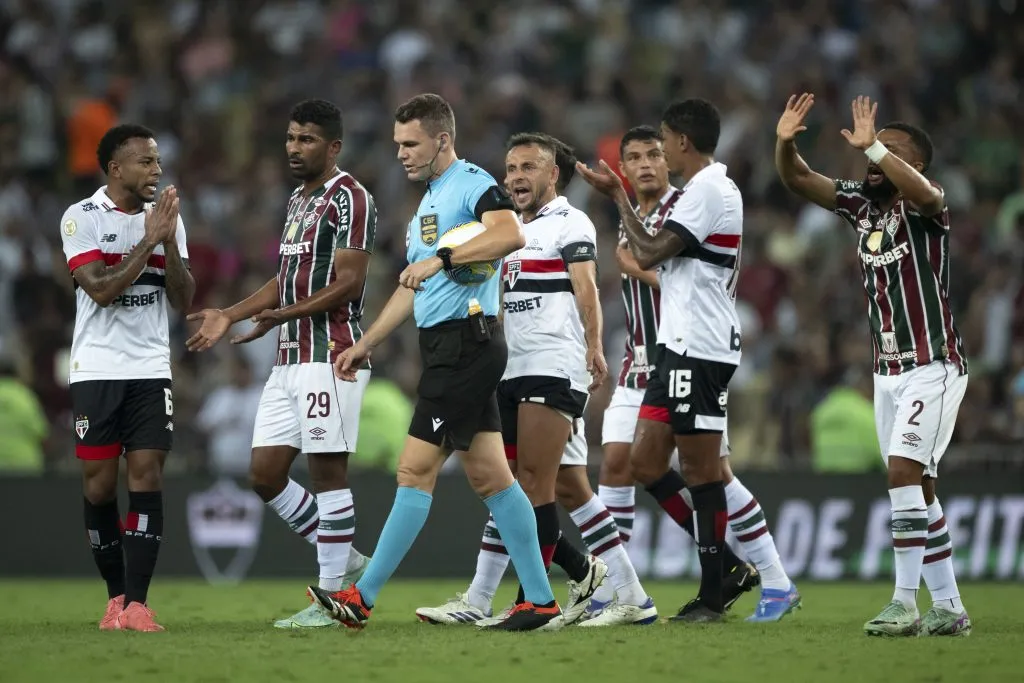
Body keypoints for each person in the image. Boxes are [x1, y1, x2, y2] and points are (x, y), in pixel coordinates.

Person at [308, 93, 560, 632]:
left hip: (467, 345)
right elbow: (411, 286)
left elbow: (510, 233)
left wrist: (444, 258)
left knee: (414, 471)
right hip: (449, 347)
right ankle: (539, 600)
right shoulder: (428, 203)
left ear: (441, 140)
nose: (400, 153)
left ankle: (362, 596)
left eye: (411, 143)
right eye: (397, 144)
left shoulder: (471, 183)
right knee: (493, 478)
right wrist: (367, 342)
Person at [415, 134, 654, 628]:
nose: (515, 177)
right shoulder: (506, 230)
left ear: (553, 176)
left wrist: (592, 346)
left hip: (553, 365)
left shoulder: (571, 222)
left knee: (526, 485)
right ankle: (628, 594)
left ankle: (526, 601)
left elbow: (586, 287)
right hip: (509, 370)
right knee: (564, 487)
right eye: (510, 168)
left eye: (528, 167)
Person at [577, 99, 800, 623]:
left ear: (678, 142)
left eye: (659, 145)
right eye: (636, 155)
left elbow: (654, 255)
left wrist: (619, 207)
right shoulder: (683, 201)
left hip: (698, 348)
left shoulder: (701, 194)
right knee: (642, 464)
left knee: (707, 471)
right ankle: (669, 581)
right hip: (662, 354)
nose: (652, 159)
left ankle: (730, 586)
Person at [775, 93, 971, 637]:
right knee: (920, 490)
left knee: (902, 474)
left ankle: (904, 602)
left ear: (913, 163)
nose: (874, 155)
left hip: (933, 362)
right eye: (872, 148)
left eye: (891, 150)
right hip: (887, 370)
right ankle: (950, 607)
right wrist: (784, 142)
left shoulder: (927, 207)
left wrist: (879, 149)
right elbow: (800, 180)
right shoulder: (862, 204)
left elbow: (927, 193)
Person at [186, 99, 374, 629]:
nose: (294, 148)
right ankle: (347, 557)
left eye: (307, 139)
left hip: (331, 355)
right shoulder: (297, 199)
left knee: (327, 474)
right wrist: (229, 311)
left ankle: (334, 603)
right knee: (264, 475)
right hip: (288, 355)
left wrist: (281, 314)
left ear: (333, 146)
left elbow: (350, 281)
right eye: (291, 138)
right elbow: (284, 279)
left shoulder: (351, 198)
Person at [60, 123, 195, 631]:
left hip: (149, 368)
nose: (157, 171)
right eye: (146, 162)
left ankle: (137, 605)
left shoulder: (166, 220)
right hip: (96, 369)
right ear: (116, 168)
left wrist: (170, 243)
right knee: (99, 490)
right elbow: (100, 290)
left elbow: (182, 299)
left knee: (148, 476)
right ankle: (115, 597)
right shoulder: (82, 218)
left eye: (158, 162)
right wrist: (150, 241)